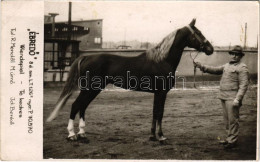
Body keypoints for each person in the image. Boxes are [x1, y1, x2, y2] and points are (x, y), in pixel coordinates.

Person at [194, 45, 249, 149]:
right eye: (232, 54)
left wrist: (238, 98)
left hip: (232, 98)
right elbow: (215, 70)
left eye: (237, 54)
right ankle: (229, 138)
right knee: (227, 120)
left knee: (233, 120)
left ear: (240, 56)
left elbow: (243, 85)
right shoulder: (227, 65)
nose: (234, 56)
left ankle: (232, 141)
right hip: (223, 96)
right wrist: (201, 66)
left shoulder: (242, 68)